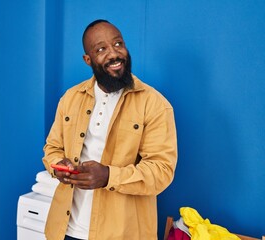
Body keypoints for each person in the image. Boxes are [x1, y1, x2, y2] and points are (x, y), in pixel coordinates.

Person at [42, 19, 177, 240]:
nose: (114, 54)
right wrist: (59, 166)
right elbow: (52, 148)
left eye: (118, 44)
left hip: (122, 234)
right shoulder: (70, 98)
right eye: (101, 49)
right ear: (88, 59)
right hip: (66, 230)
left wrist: (108, 176)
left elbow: (162, 171)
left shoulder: (154, 104)